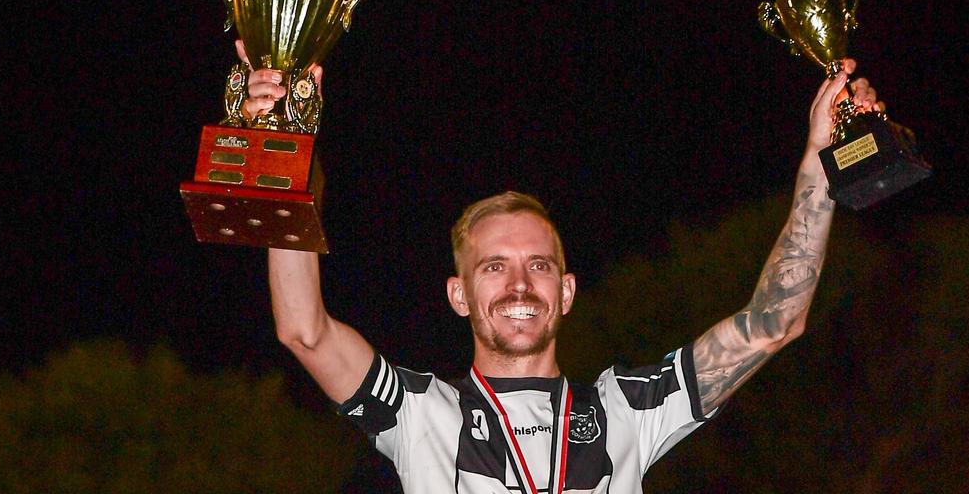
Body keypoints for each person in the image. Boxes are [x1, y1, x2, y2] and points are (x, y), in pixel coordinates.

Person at [237, 41, 883, 493]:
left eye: (539, 266)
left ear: (567, 290)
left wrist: (818, 165)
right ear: (458, 294)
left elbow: (775, 322)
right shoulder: (420, 413)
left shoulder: (626, 411)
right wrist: (284, 149)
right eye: (493, 269)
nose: (520, 285)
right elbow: (304, 328)